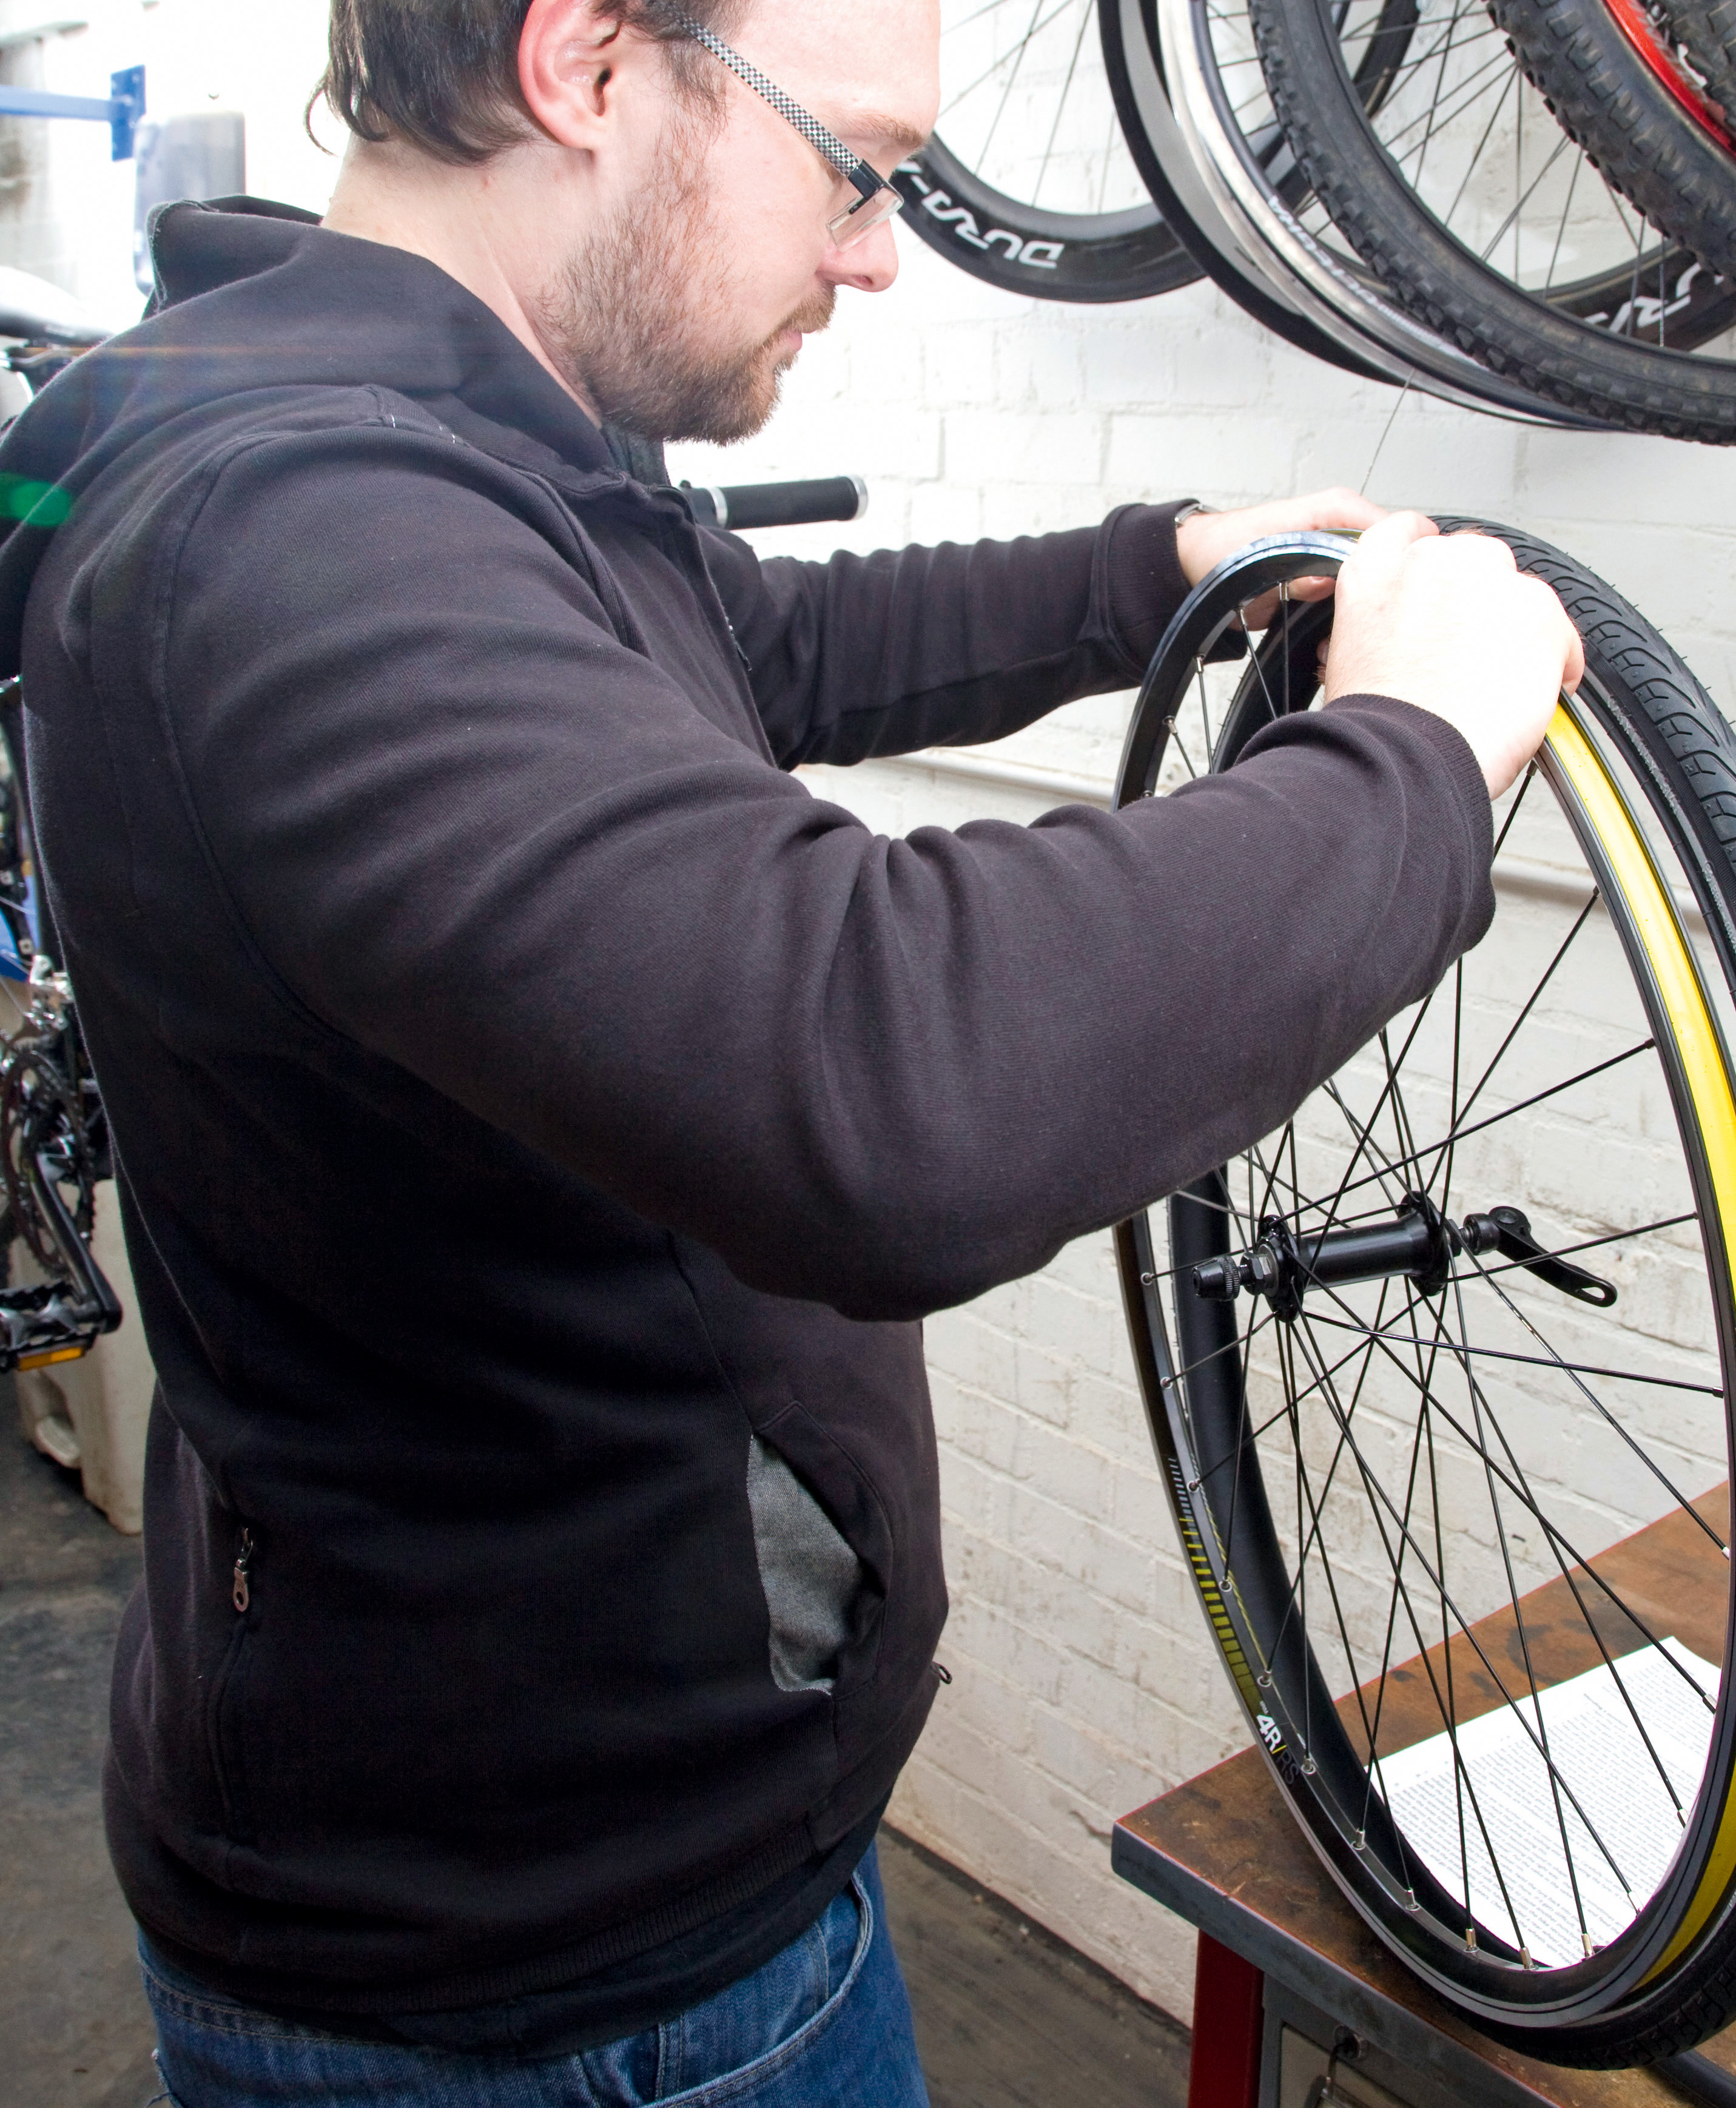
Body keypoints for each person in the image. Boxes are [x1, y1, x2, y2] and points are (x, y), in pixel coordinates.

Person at [0, 1, 1582, 2101]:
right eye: (856, 162)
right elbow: (880, 1073)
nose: (878, 253)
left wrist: (1159, 569)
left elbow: (754, 645)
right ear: (584, 65)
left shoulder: (435, 448)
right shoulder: (303, 538)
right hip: (569, 2000)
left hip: (598, 1879)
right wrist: (1412, 768)